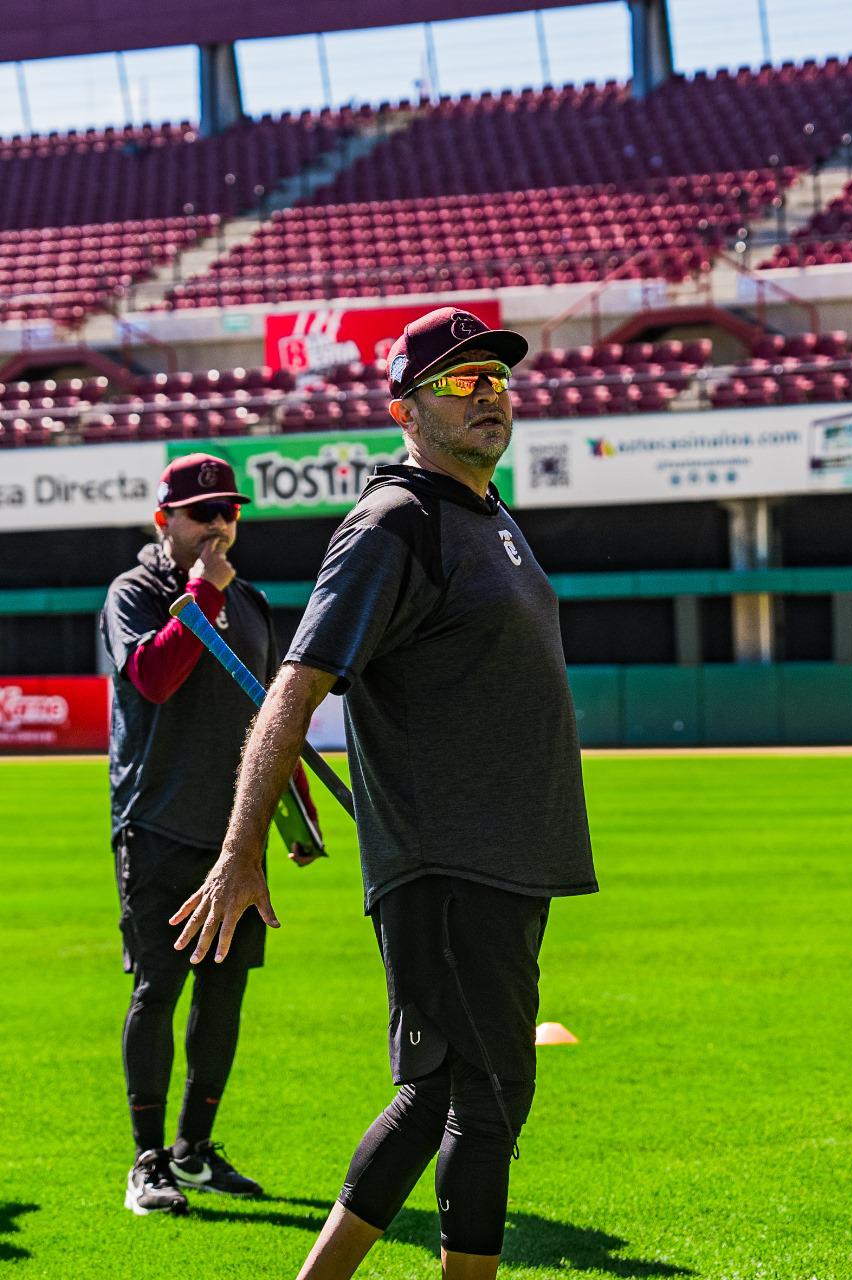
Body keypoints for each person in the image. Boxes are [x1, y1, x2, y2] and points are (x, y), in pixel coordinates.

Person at [171, 306, 598, 1279]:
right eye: (457, 380)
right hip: (445, 857)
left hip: (505, 855)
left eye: (494, 375)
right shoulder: (392, 521)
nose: (485, 391)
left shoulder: (487, 517)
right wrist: (239, 849)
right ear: (404, 407)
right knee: (481, 1095)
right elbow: (294, 685)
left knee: (450, 1095)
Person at [102, 452, 322, 1216]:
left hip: (239, 838)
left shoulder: (255, 604)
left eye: (229, 512)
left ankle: (195, 1150)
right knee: (158, 989)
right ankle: (147, 1159)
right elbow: (155, 680)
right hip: (158, 824)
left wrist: (292, 802)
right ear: (164, 522)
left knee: (224, 994)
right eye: (202, 515)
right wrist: (202, 592)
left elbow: (269, 716)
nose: (219, 527)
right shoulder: (137, 592)